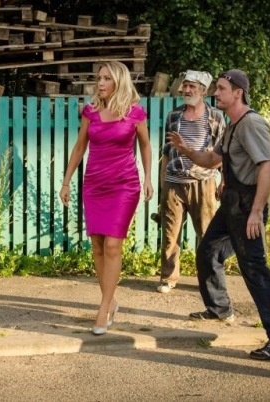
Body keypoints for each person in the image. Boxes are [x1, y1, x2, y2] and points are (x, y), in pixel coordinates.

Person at [169, 69, 270, 360]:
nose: (216, 93)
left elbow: (268, 166)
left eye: (222, 89)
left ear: (238, 93)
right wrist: (186, 150)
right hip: (232, 205)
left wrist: (257, 212)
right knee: (208, 251)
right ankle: (219, 308)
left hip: (248, 206)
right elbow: (213, 159)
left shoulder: (252, 124)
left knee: (255, 269)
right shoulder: (232, 125)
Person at [59, 61, 153, 335]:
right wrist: (66, 181)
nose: (100, 83)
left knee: (113, 244)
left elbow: (145, 145)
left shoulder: (134, 112)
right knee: (98, 246)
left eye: (106, 79)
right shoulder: (91, 111)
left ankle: (103, 309)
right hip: (94, 184)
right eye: (99, 78)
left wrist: (148, 178)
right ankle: (111, 301)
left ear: (119, 82)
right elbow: (80, 147)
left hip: (124, 185)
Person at [156, 70, 226, 294]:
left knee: (206, 234)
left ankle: (208, 279)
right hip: (174, 181)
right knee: (170, 233)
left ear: (203, 91)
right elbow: (167, 152)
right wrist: (163, 183)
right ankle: (168, 278)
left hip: (203, 182)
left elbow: (222, 153)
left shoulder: (215, 117)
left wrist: (224, 180)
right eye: (185, 86)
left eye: (192, 87)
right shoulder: (174, 116)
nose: (186, 90)